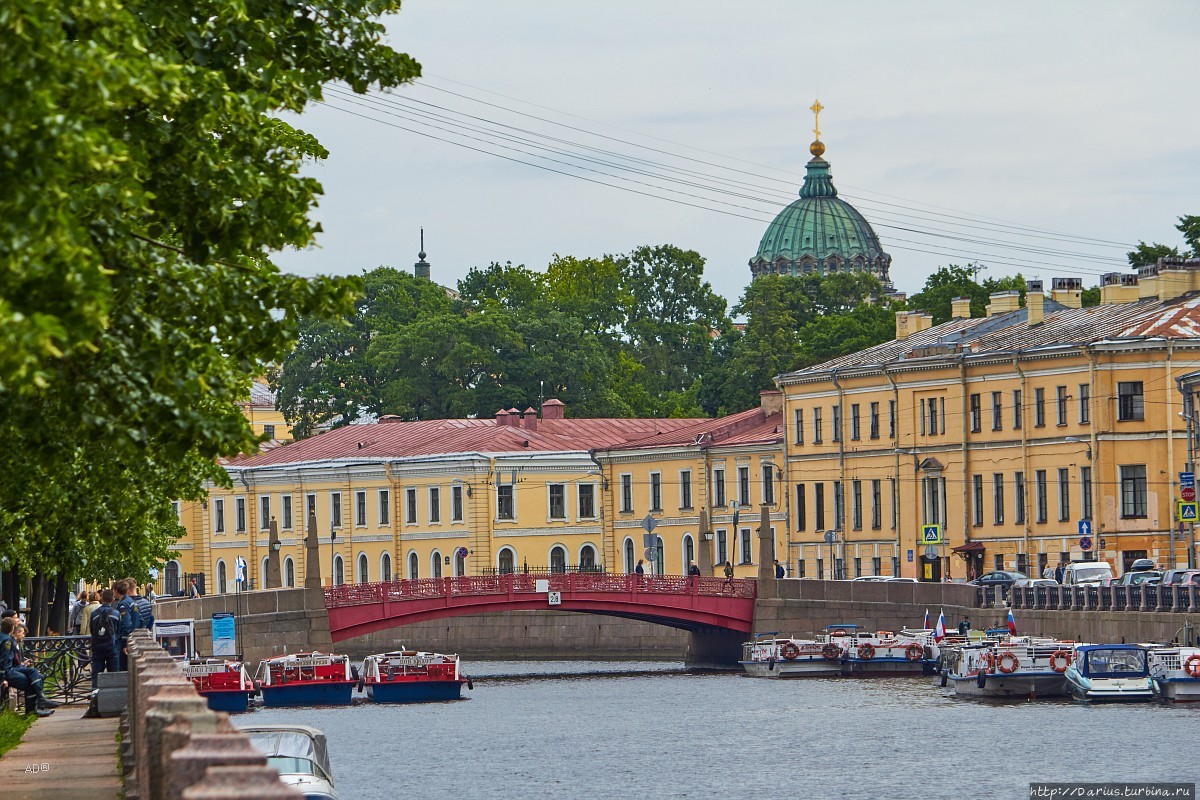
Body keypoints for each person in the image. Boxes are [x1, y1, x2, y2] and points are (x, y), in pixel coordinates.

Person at [0, 618, 57, 716]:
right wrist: (2, 679)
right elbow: (3, 660)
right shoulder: (7, 640)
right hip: (7, 672)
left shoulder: (4, 637)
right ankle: (35, 708)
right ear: (12, 628)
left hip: (10, 670)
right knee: (30, 683)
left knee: (34, 674)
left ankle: (39, 702)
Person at [89, 589, 120, 689]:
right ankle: (113, 698)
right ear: (113, 599)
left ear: (101, 598)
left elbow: (92, 630)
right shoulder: (116, 614)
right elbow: (119, 631)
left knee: (96, 675)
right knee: (114, 675)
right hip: (112, 647)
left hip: (97, 647)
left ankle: (95, 698)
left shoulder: (94, 614)